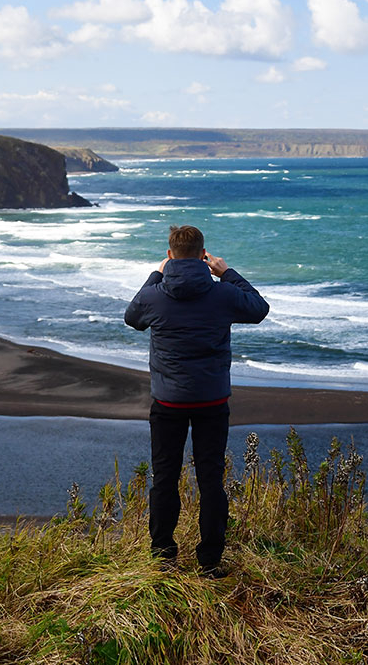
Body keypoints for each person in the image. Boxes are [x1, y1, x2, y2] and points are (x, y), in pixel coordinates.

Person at [124, 224, 269, 577]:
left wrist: (155, 274)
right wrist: (227, 272)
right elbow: (259, 308)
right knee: (210, 480)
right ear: (204, 256)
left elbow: (132, 318)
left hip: (168, 402)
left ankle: (163, 557)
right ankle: (209, 563)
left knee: (165, 478)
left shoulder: (155, 294)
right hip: (211, 402)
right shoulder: (223, 294)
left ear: (170, 254)